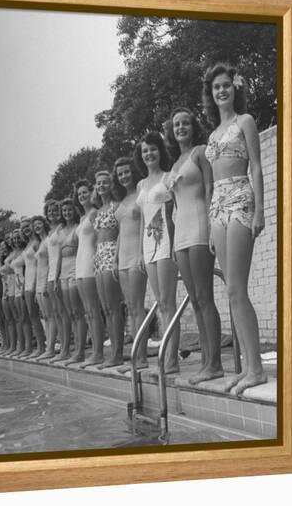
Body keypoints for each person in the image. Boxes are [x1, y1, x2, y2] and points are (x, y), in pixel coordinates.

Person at [202, 62, 267, 395]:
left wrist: (260, 209)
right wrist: (212, 222)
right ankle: (247, 368)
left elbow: (256, 166)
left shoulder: (246, 122)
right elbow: (212, 182)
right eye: (216, 87)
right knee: (230, 291)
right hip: (218, 209)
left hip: (241, 199)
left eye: (226, 85)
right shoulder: (212, 135)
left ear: (234, 88)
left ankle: (255, 369)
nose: (222, 90)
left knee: (238, 289)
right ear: (211, 94)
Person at [165, 107, 224, 384]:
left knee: (205, 298)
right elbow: (173, 207)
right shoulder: (175, 163)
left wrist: (213, 227)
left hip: (200, 228)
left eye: (185, 123)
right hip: (181, 236)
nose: (181, 127)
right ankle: (205, 361)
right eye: (176, 124)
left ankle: (215, 363)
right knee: (195, 303)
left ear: (193, 126)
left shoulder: (200, 152)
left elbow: (211, 189)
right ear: (172, 130)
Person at [134, 131, 179, 374]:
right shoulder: (141, 184)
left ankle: (171, 360)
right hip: (148, 244)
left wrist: (173, 246)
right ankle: (166, 355)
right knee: (160, 302)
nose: (149, 153)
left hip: (166, 242)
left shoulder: (169, 177)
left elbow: (175, 214)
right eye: (144, 151)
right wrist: (141, 252)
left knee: (168, 302)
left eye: (152, 149)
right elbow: (142, 219)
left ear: (160, 151)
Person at [112, 157, 149, 372]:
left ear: (132, 172)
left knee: (137, 308)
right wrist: (116, 259)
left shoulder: (140, 194)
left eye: (126, 172)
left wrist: (143, 254)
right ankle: (136, 356)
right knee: (130, 308)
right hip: (123, 259)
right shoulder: (122, 200)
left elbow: (145, 224)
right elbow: (120, 233)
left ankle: (141, 358)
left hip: (136, 256)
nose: (123, 176)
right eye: (120, 174)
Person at [93, 170, 125, 368]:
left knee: (114, 307)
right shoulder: (98, 210)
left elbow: (122, 232)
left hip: (111, 252)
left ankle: (118, 354)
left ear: (110, 184)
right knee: (105, 308)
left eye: (105, 182)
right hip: (98, 255)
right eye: (99, 183)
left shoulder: (117, 206)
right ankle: (112, 352)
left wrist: (116, 258)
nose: (102, 186)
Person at [73, 179, 105, 368]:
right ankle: (94, 351)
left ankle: (99, 352)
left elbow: (101, 236)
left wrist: (97, 261)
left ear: (90, 194)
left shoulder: (94, 213)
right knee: (88, 312)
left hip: (90, 262)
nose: (82, 196)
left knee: (94, 310)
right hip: (80, 264)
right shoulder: (82, 218)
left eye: (85, 192)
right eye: (79, 194)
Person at [56, 198, 88, 365]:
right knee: (70, 313)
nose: (67, 213)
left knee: (78, 311)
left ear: (74, 211)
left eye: (69, 210)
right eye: (64, 211)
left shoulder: (77, 228)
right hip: (63, 271)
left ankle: (81, 350)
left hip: (76, 265)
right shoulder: (60, 231)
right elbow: (58, 257)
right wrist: (56, 277)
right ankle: (75, 349)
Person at [45, 200, 71, 362]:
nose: (53, 213)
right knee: (56, 313)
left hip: (58, 274)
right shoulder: (50, 232)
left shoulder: (62, 229)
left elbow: (62, 254)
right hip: (50, 273)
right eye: (49, 211)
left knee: (63, 312)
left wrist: (56, 276)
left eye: (55, 210)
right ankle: (62, 347)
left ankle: (66, 349)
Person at [20, 217, 46, 358]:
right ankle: (40, 346)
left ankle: (42, 346)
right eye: (23, 227)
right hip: (27, 283)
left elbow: (39, 263)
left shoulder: (36, 243)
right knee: (32, 316)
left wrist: (36, 284)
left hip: (35, 282)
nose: (25, 229)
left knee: (35, 316)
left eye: (27, 226)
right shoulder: (28, 243)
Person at [33, 215, 57, 359]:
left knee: (51, 315)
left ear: (44, 223)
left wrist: (48, 283)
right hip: (39, 283)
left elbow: (51, 262)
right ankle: (48, 346)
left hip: (46, 280)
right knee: (46, 316)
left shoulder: (48, 240)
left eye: (39, 223)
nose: (37, 226)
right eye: (35, 225)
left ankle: (51, 348)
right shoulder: (41, 242)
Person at [10, 228, 26, 357]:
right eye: (14, 238)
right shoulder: (13, 252)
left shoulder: (24, 251)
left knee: (25, 318)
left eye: (18, 237)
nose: (16, 240)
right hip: (15, 286)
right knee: (18, 318)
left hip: (23, 284)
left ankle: (27, 347)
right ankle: (20, 346)